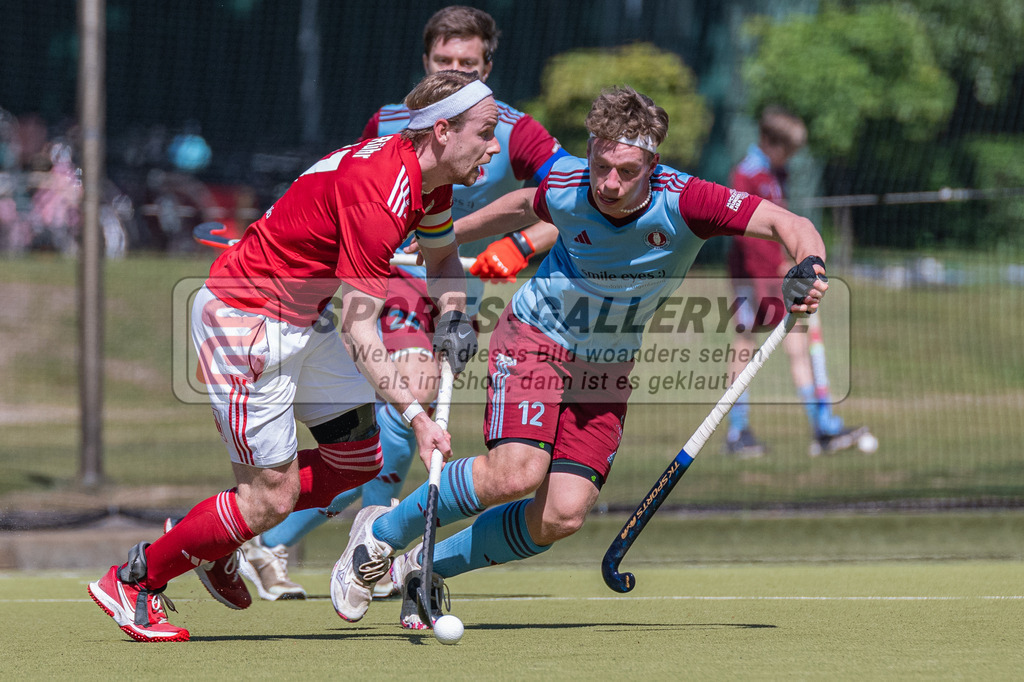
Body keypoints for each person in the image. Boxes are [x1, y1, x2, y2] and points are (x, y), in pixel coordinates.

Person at [329, 85, 830, 630]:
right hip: (537, 336)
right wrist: (438, 236)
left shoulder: (688, 200)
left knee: (562, 514)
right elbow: (524, 204)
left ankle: (418, 567)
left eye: (628, 171)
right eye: (602, 165)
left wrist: (809, 265)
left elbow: (792, 226)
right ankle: (378, 535)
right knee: (515, 474)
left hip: (609, 364)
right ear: (590, 150)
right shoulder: (569, 182)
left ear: (652, 165)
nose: (610, 183)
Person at [87, 70, 498, 642]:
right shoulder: (379, 191)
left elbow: (443, 255)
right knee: (271, 498)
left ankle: (215, 536)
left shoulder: (431, 180)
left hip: (306, 319)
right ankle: (137, 578)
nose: (495, 145)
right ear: (443, 130)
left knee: (358, 457)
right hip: (247, 323)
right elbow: (362, 334)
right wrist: (418, 417)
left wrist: (454, 313)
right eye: (486, 132)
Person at [237, 5, 567, 602]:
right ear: (427, 63)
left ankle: (296, 538)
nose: (458, 72)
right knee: (409, 395)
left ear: (489, 64)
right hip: (389, 280)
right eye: (446, 62)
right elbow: (348, 202)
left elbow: (570, 197)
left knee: (388, 426)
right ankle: (363, 545)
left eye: (470, 63)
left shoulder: (516, 130)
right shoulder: (394, 121)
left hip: (454, 283)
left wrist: (520, 246)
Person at [723, 105, 867, 458]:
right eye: (787, 150)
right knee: (746, 344)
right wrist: (768, 283)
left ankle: (823, 426)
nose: (790, 158)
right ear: (770, 142)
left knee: (794, 345)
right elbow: (746, 235)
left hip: (774, 274)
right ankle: (739, 431)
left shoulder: (775, 173)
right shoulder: (748, 175)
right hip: (751, 277)